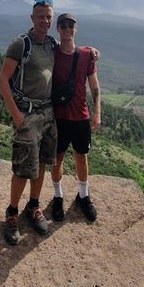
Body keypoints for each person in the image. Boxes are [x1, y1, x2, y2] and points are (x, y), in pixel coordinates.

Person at [0, 0, 58, 245]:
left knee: (42, 162)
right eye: (40, 16)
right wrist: (17, 116)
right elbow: (2, 80)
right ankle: (12, 213)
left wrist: (90, 52)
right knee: (23, 167)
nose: (45, 20)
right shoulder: (21, 44)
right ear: (32, 18)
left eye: (48, 16)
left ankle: (33, 206)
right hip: (28, 113)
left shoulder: (52, 44)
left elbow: (70, 51)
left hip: (48, 113)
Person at [50, 13, 101, 222]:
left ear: (76, 29)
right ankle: (58, 196)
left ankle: (83, 195)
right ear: (58, 29)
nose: (67, 28)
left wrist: (97, 112)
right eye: (63, 25)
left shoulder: (87, 55)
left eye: (71, 25)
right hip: (59, 117)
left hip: (81, 116)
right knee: (57, 158)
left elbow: (95, 86)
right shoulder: (51, 52)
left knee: (82, 156)